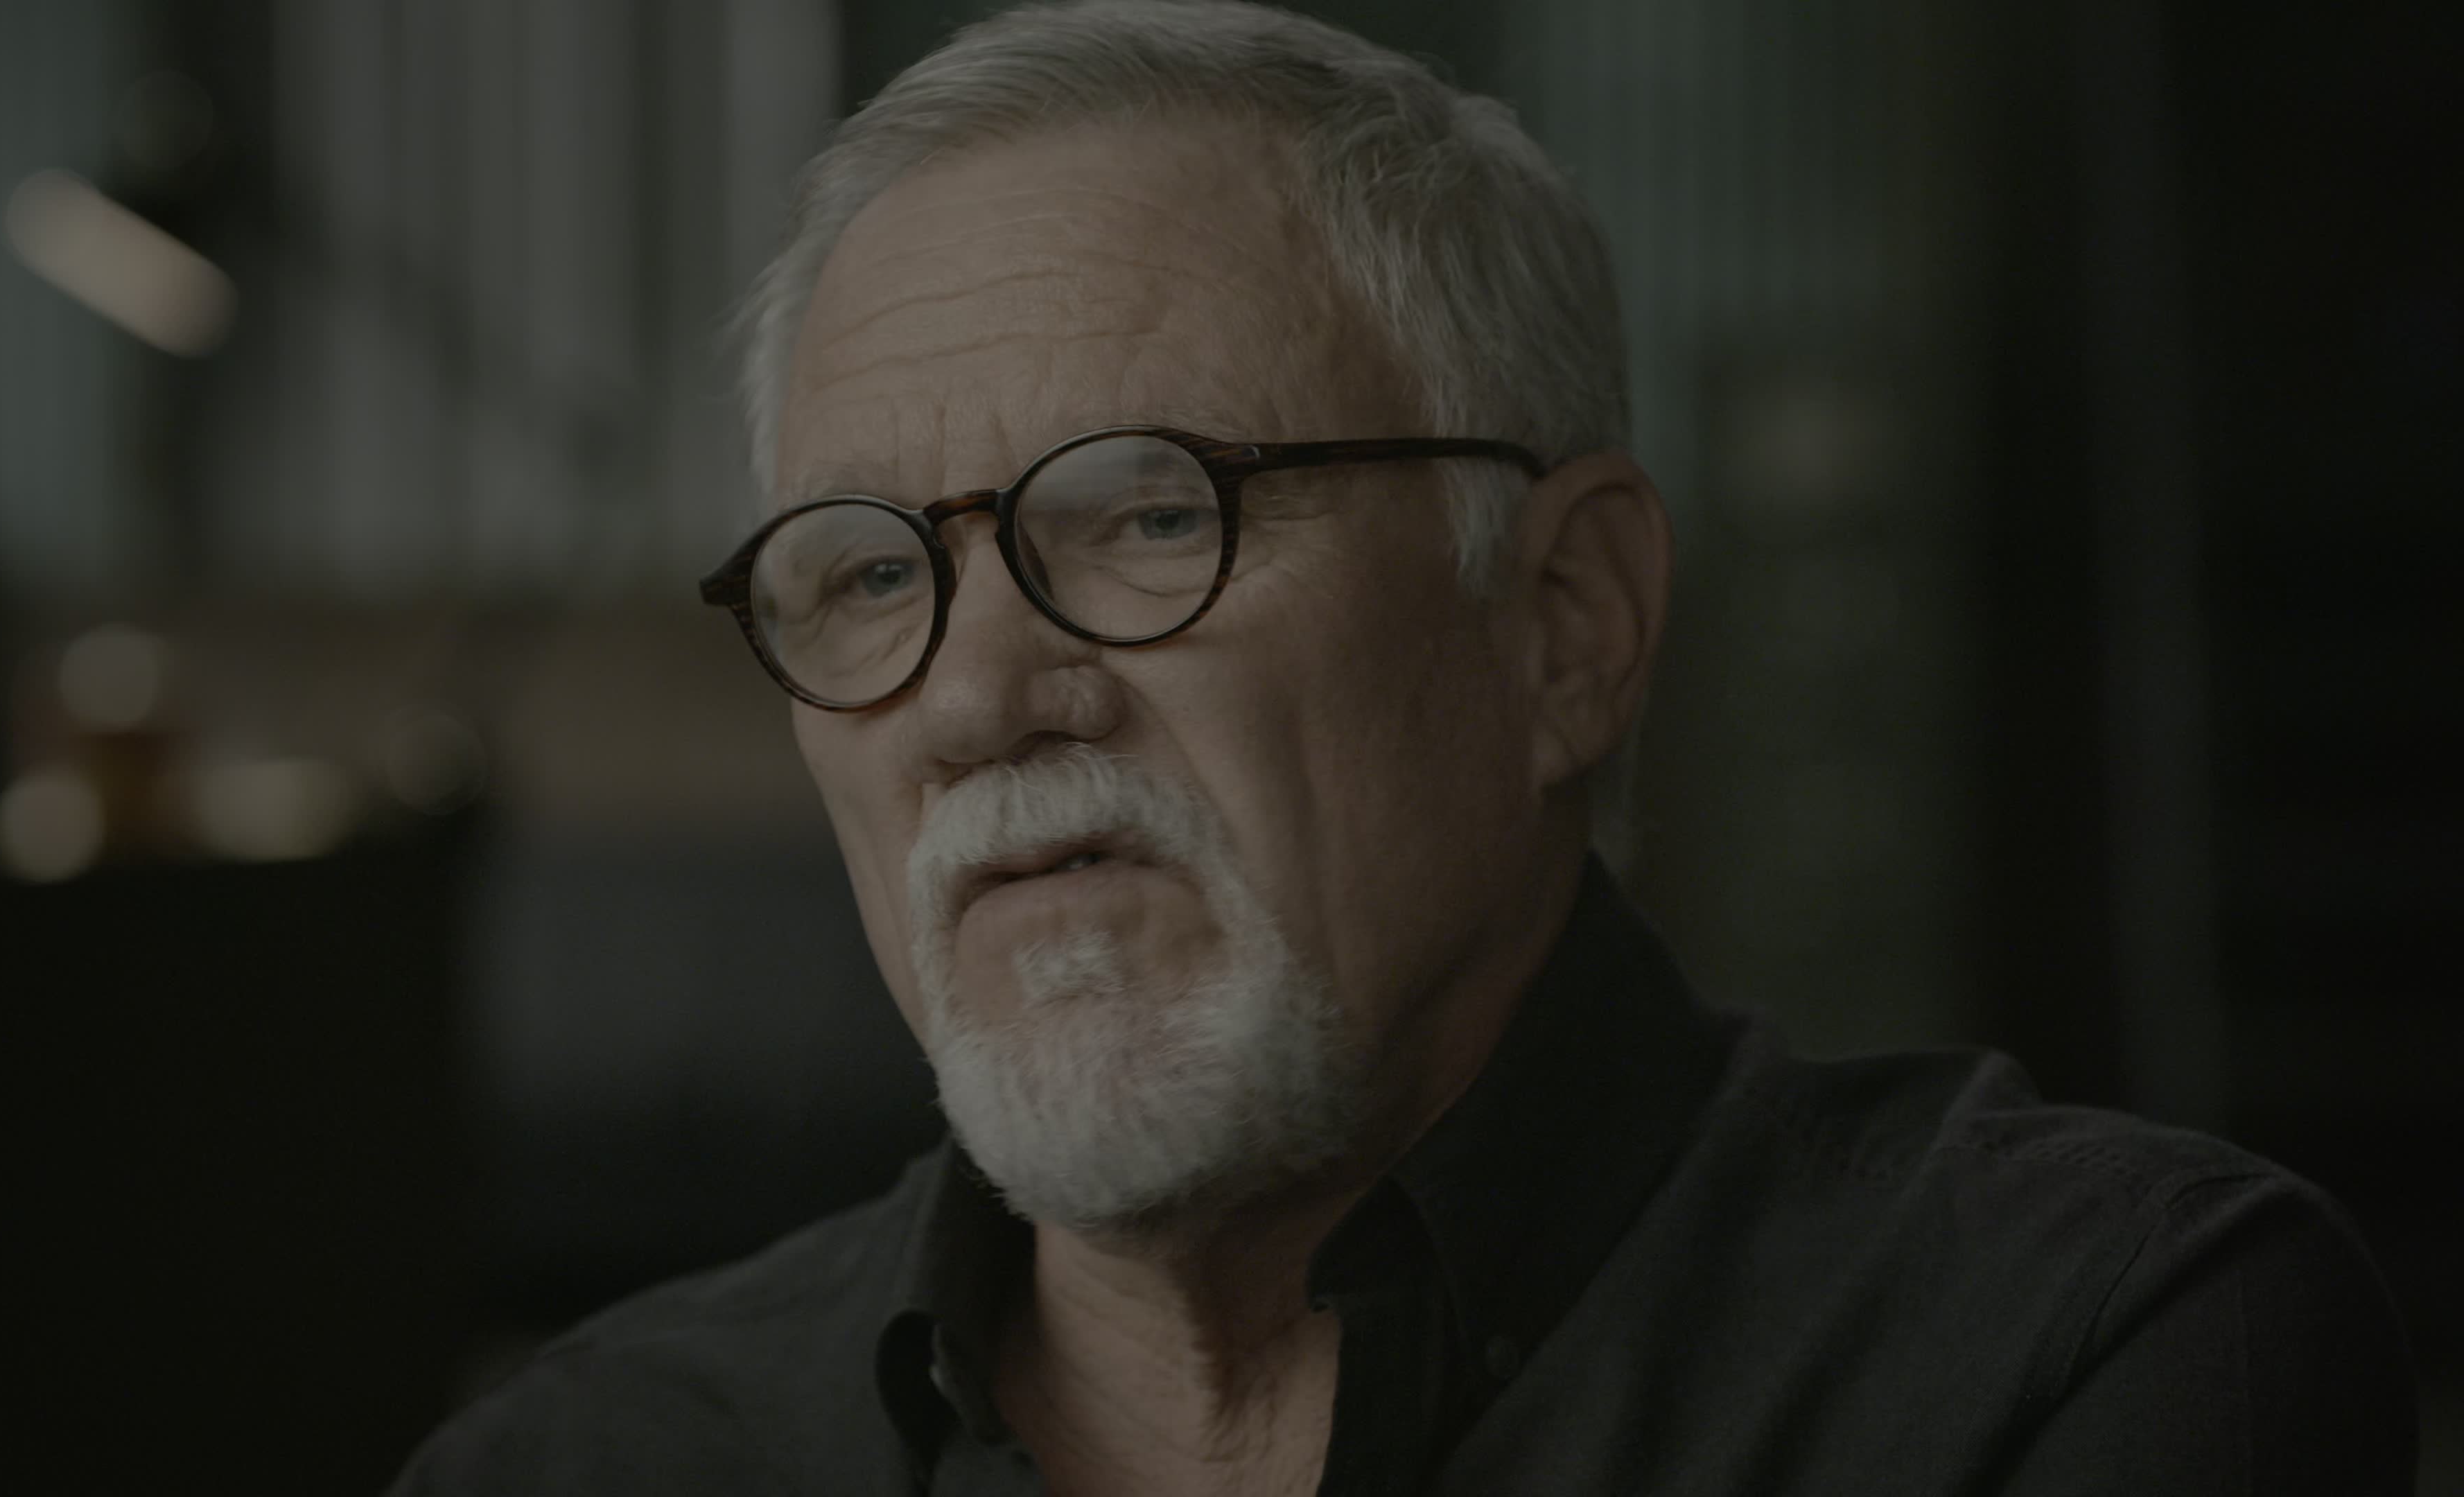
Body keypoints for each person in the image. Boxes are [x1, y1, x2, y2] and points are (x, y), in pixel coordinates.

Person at [394, 3, 2415, 1491]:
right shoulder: (577, 1468)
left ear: (1566, 623)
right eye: (861, 574)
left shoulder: (2089, 1355)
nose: (974, 698)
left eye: (1152, 513)